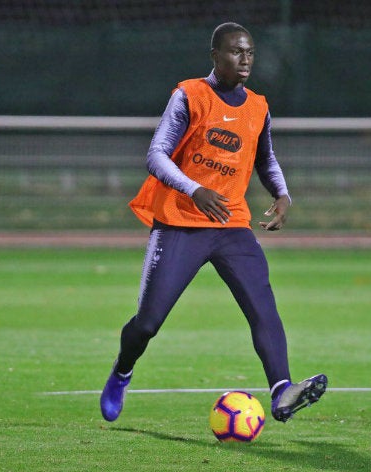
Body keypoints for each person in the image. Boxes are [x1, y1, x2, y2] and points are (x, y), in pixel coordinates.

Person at [100, 22, 327, 423]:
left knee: (263, 308)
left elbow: (265, 158)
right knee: (148, 323)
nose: (245, 59)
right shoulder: (190, 95)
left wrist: (282, 193)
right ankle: (122, 371)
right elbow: (156, 155)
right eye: (236, 52)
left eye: (250, 52)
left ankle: (281, 392)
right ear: (215, 56)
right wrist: (195, 190)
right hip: (180, 222)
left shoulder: (258, 106)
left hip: (231, 225)